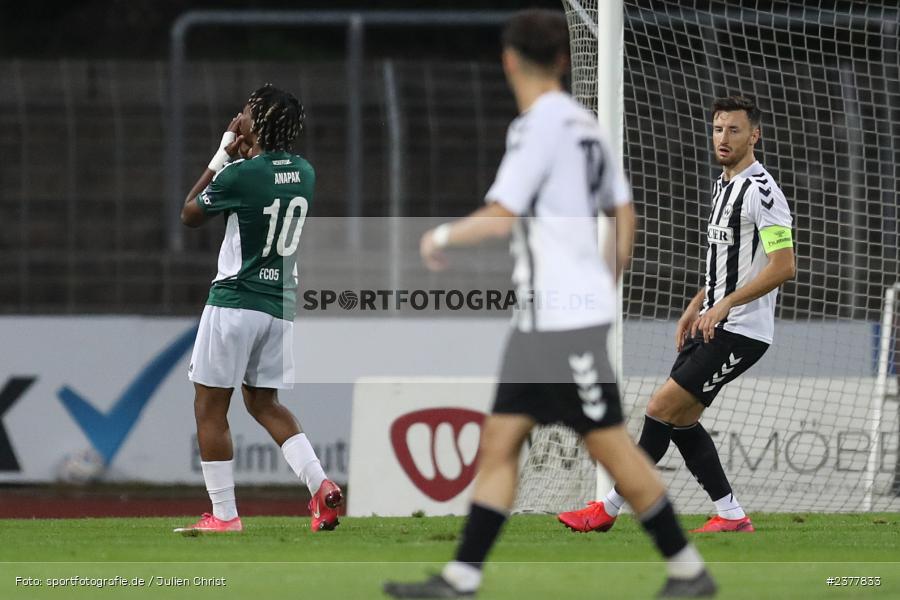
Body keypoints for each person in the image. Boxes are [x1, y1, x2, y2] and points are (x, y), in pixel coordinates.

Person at [384, 10, 715, 598]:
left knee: (609, 443)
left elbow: (503, 213)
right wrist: (605, 280)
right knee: (501, 441)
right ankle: (462, 577)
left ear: (509, 60)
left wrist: (440, 238)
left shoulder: (537, 127)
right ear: (563, 59)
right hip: (548, 319)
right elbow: (624, 211)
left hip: (560, 324)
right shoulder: (587, 125)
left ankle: (687, 569)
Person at [559, 95, 795, 534]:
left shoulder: (762, 192)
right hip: (711, 322)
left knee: (659, 407)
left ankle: (607, 509)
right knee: (681, 420)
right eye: (719, 129)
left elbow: (784, 265)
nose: (724, 138)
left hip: (741, 331)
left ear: (755, 135)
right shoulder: (722, 185)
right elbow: (729, 261)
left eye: (735, 130)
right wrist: (697, 303)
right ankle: (731, 515)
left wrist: (725, 304)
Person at [174, 84, 343, 534]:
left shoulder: (240, 173)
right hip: (279, 306)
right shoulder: (305, 171)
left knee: (210, 408)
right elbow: (273, 175)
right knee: (265, 403)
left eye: (246, 112)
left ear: (260, 123)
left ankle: (224, 515)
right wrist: (249, 153)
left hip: (234, 301)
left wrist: (221, 156)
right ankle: (320, 485)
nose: (238, 117)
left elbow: (189, 213)